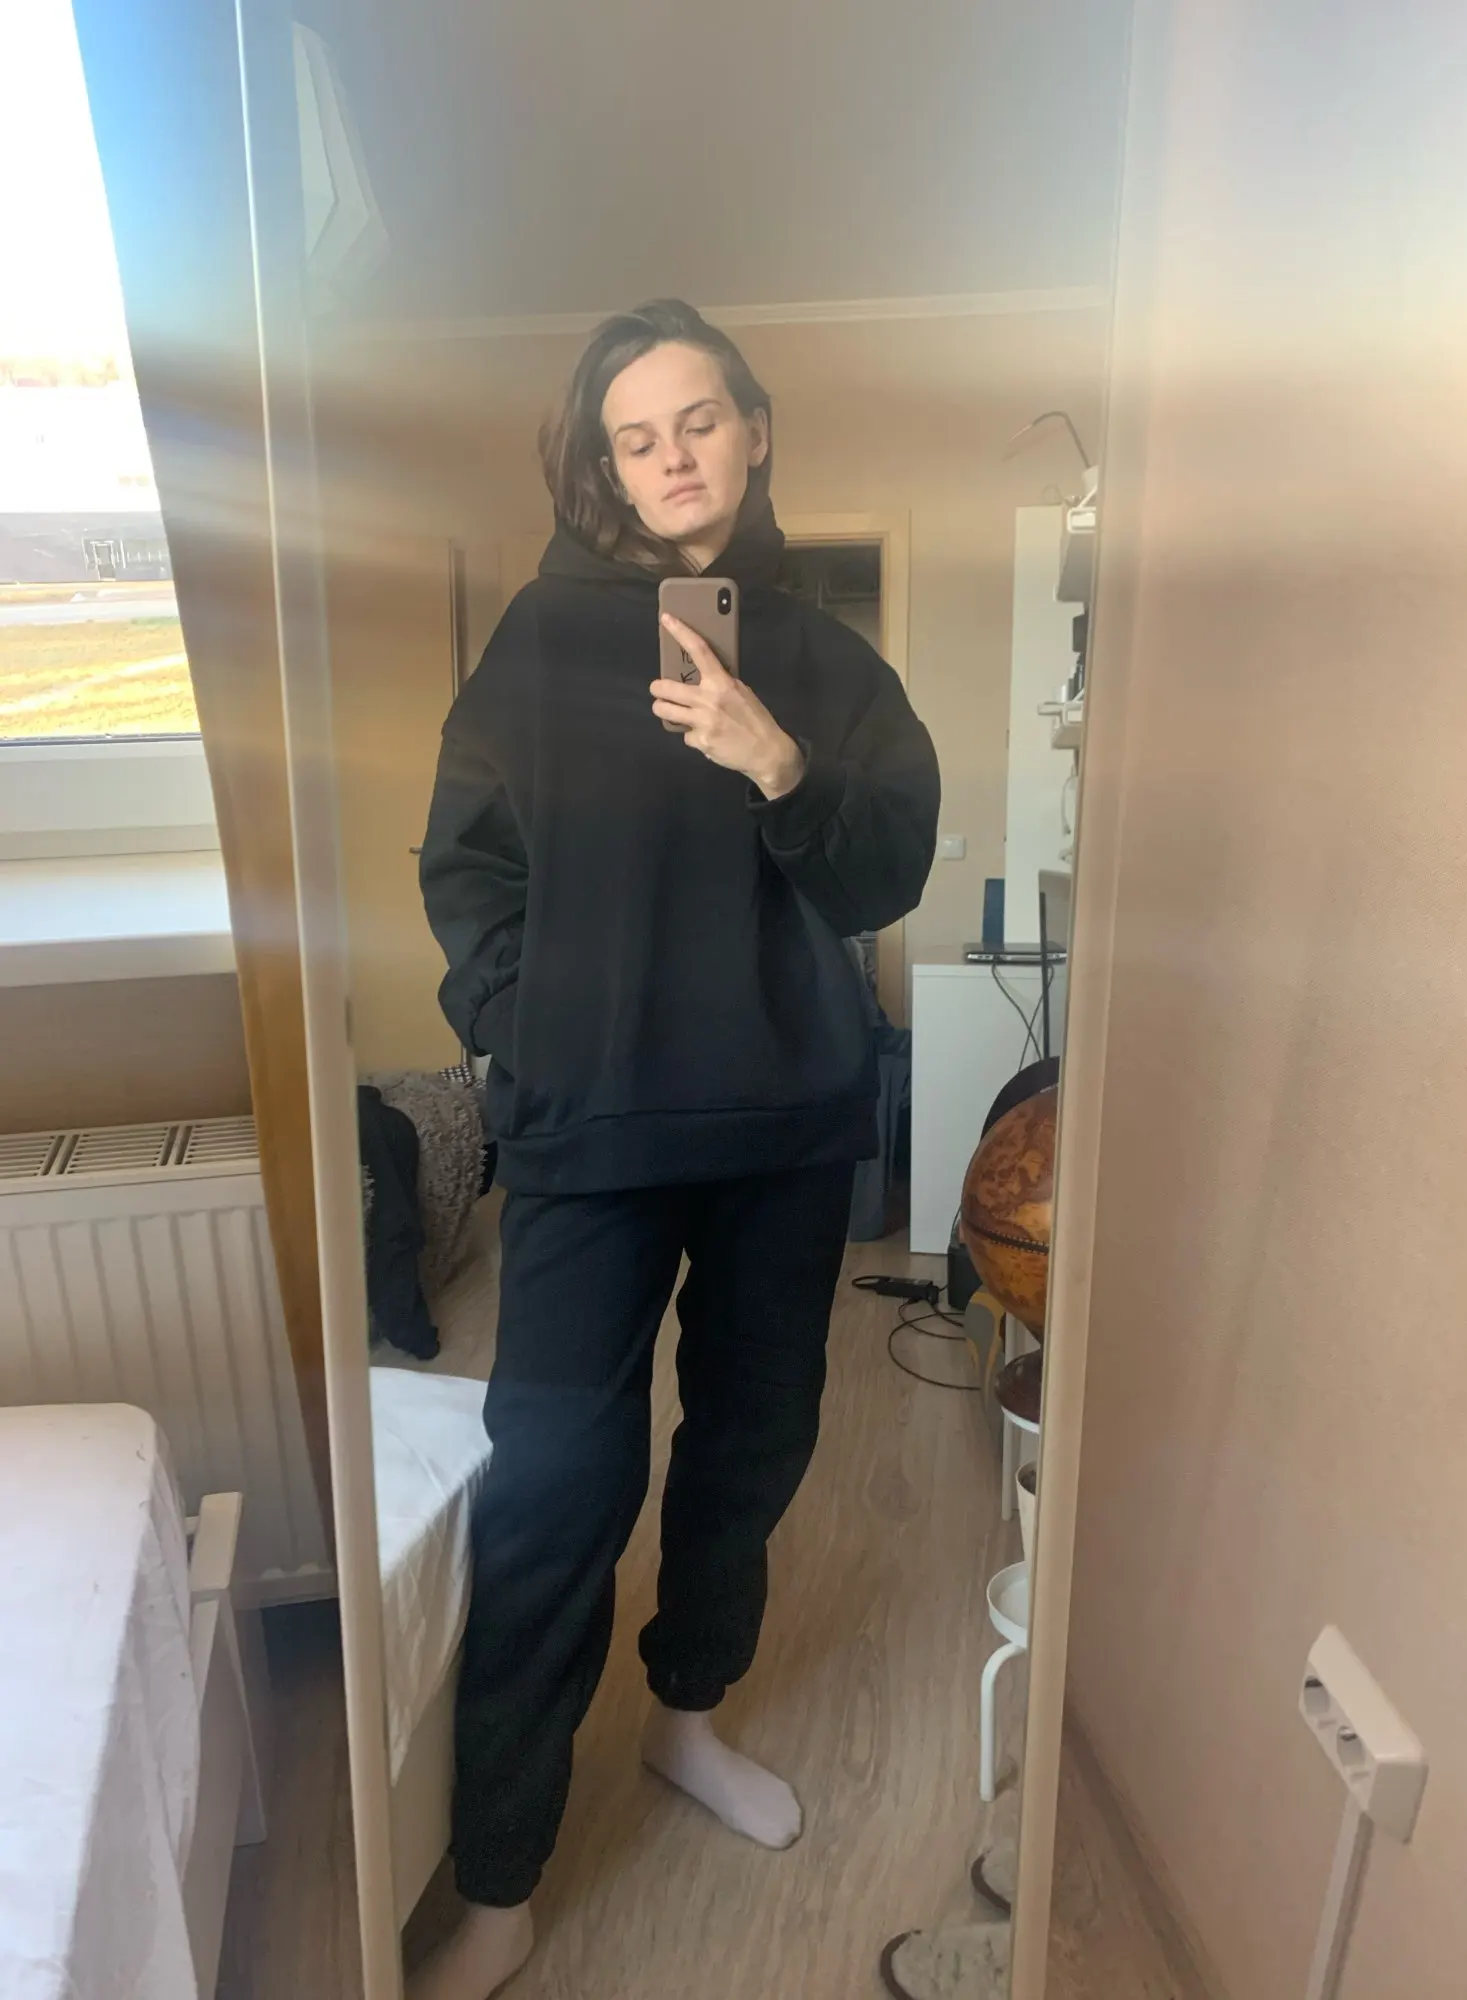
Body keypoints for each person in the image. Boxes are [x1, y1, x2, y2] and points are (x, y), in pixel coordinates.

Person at [412, 298, 940, 1999]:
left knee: (748, 1452)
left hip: (783, 1126)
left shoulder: (832, 665)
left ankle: (686, 1716)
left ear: (754, 429)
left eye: (697, 421)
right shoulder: (538, 642)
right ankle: (502, 1877)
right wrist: (520, 1022)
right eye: (635, 438)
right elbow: (466, 865)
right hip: (586, 1125)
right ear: (607, 465)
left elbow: (885, 873)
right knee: (556, 1486)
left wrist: (780, 764)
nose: (671, 459)